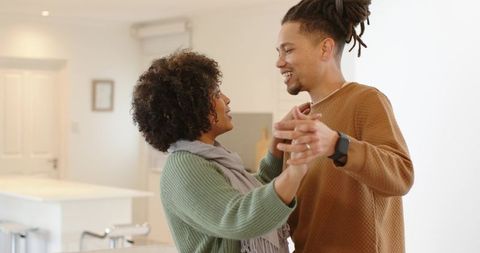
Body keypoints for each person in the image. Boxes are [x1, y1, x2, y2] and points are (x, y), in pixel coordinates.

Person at [131, 50, 315, 253]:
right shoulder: (184, 167)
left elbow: (254, 193)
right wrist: (294, 172)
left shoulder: (209, 157)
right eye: (216, 94)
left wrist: (279, 139)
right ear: (194, 107)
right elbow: (240, 219)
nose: (226, 99)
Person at [273, 0, 415, 252]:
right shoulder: (300, 122)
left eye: (288, 50)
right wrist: (275, 151)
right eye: (279, 52)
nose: (279, 62)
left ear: (325, 48)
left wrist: (337, 145)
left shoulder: (365, 100)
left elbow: (401, 176)